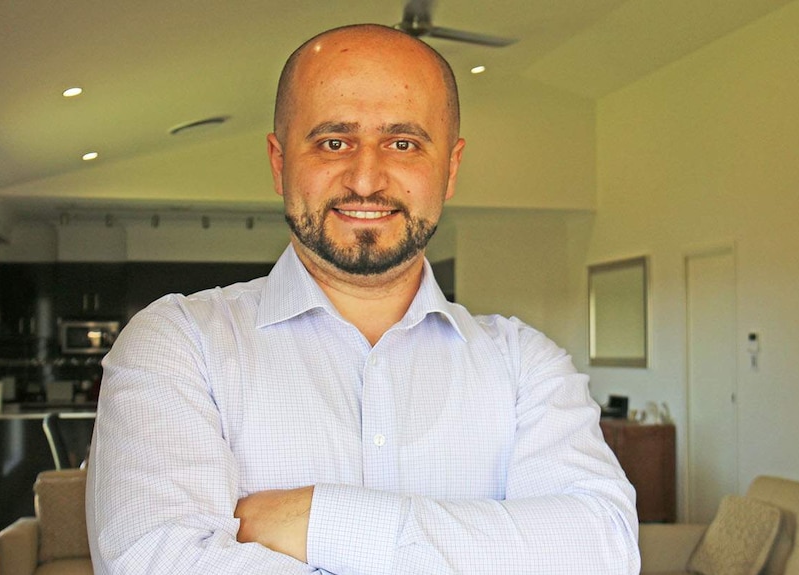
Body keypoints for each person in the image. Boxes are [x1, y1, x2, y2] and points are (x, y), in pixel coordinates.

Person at [86, 23, 640, 574]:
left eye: (403, 143)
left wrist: (319, 522)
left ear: (450, 168)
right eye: (334, 141)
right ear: (281, 163)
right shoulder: (179, 345)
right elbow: (156, 563)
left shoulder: (525, 365)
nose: (367, 178)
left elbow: (603, 551)